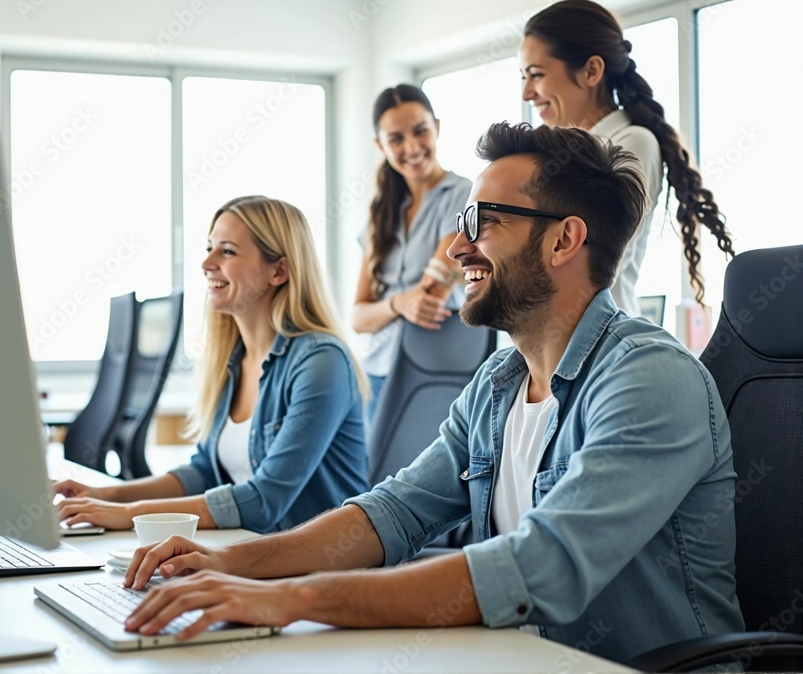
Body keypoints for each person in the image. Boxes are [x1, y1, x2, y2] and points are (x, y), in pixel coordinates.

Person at [117, 123, 743, 666]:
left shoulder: (647, 378)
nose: (455, 247)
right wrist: (230, 566)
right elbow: (394, 512)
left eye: (482, 222)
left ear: (563, 240)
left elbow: (540, 568)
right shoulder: (497, 386)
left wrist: (292, 598)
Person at [54, 196, 369, 533]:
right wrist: (106, 495)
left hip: (319, 572)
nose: (207, 263)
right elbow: (204, 471)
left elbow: (264, 500)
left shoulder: (320, 362)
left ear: (278, 271)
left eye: (228, 251)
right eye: (209, 248)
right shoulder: (233, 360)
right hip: (255, 556)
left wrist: (132, 514)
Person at [520, 0, 735, 316]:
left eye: (536, 74)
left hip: (599, 340)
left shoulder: (631, 144)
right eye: (523, 77)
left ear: (592, 70)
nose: (527, 93)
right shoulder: (562, 153)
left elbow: (582, 261)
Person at [352, 84, 473, 419]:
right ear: (380, 145)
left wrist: (391, 305)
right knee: (376, 471)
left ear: (438, 128)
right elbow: (357, 318)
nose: (412, 147)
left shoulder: (462, 196)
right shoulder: (380, 213)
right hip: (377, 372)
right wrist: (398, 303)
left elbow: (431, 294)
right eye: (396, 139)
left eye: (421, 131)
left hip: (432, 370)